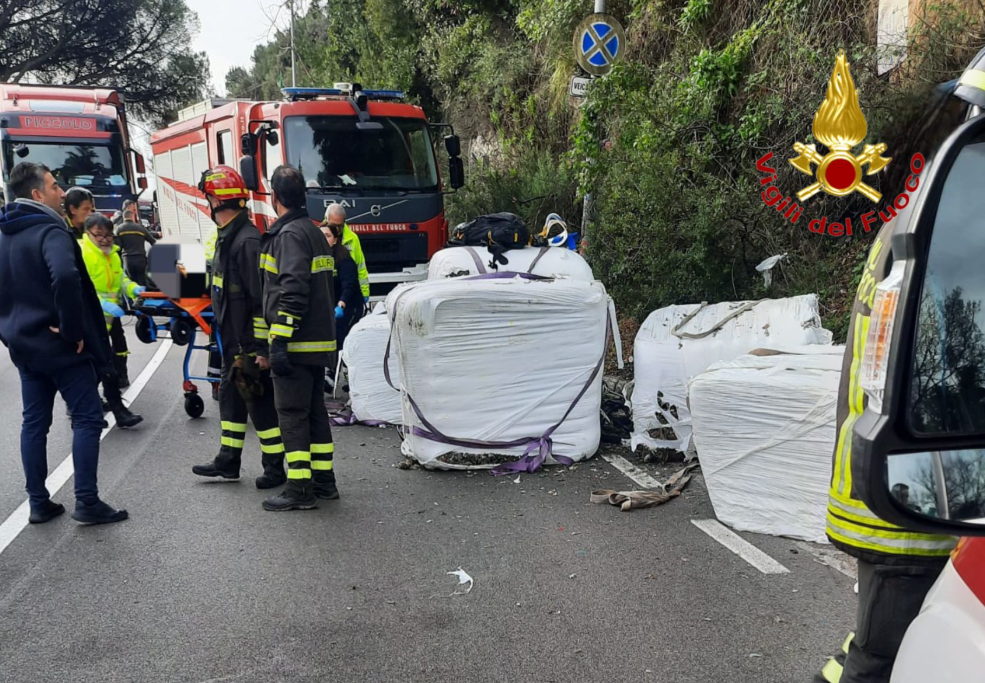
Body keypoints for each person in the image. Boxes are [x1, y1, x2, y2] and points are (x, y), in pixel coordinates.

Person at [814, 218, 956, 683]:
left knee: (876, 644)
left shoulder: (914, 217)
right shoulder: (951, 217)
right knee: (883, 658)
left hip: (889, 485)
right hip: (914, 505)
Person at [0, 162, 127, 524]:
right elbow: (67, 278)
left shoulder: (4, 233)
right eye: (55, 187)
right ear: (37, 194)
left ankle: (38, 502)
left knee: (34, 423)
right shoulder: (50, 230)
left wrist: (8, 330)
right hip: (61, 349)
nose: (61, 192)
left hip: (24, 348)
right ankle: (87, 501)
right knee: (87, 418)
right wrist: (72, 331)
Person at [191, 166, 287, 489]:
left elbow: (261, 301)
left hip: (247, 343)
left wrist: (260, 349)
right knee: (231, 398)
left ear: (216, 198)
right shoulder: (227, 237)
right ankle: (228, 461)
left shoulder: (246, 242)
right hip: (230, 341)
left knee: (259, 405)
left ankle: (275, 469)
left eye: (208, 195)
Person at [260, 165, 338, 511]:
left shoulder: (289, 236)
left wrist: (278, 340)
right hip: (318, 342)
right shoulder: (315, 232)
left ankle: (299, 488)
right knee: (316, 414)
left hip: (296, 343)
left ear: (275, 197)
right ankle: (324, 482)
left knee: (291, 414)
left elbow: (291, 291)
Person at [81, 214, 145, 397]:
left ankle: (120, 379)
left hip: (111, 314)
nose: (104, 239)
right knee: (96, 358)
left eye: (108, 235)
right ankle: (86, 400)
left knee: (119, 346)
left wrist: (134, 289)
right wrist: (102, 305)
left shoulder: (112, 254)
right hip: (91, 316)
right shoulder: (83, 255)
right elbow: (81, 290)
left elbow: (121, 279)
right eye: (99, 235)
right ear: (88, 233)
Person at [320, 221, 364, 350]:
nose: (323, 240)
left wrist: (341, 303)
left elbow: (348, 283)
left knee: (342, 339)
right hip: (330, 308)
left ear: (335, 240)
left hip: (348, 307)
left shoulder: (343, 260)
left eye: (327, 236)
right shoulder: (316, 258)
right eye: (320, 236)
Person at [322, 203, 370, 303]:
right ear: (326, 219)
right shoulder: (318, 235)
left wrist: (365, 292)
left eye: (340, 225)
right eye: (334, 225)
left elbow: (361, 267)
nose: (337, 230)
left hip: (347, 293)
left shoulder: (352, 238)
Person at [115, 200, 156, 286]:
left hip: (128, 260)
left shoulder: (119, 229)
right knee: (142, 283)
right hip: (141, 259)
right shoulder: (140, 228)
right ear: (132, 217)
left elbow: (118, 247)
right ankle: (143, 298)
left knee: (131, 284)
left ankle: (136, 299)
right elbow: (153, 241)